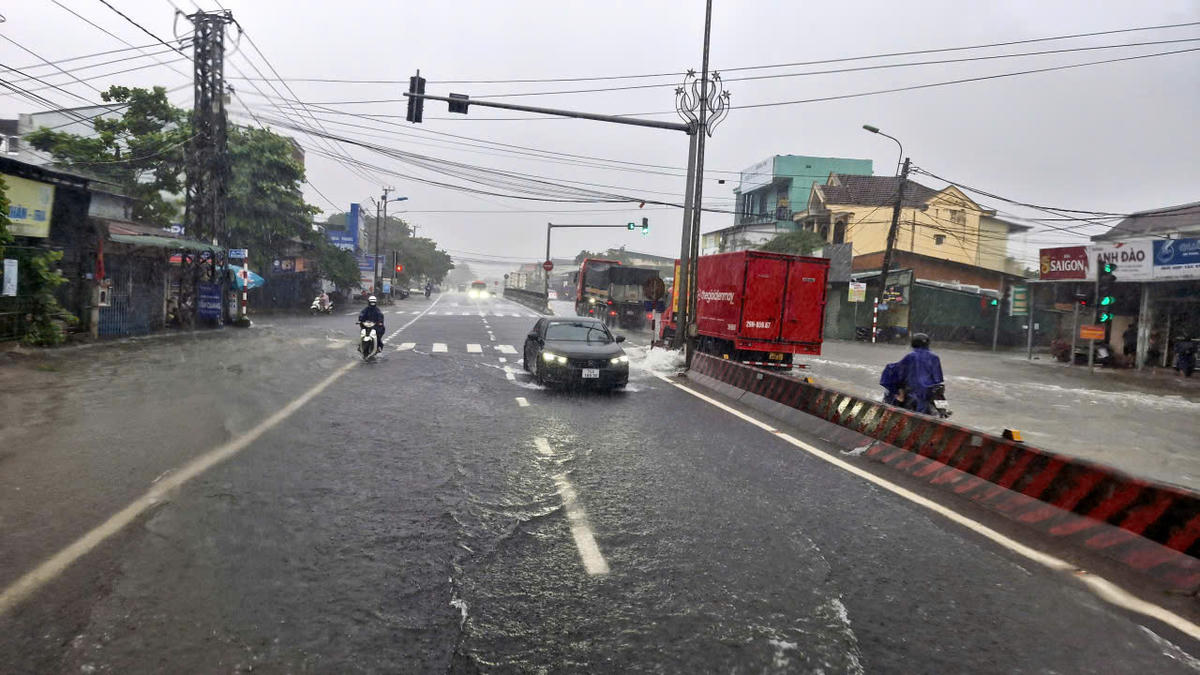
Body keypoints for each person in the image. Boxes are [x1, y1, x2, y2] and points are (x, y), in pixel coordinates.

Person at [880, 332, 945, 414]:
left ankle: (899, 399)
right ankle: (944, 411)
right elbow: (938, 377)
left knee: (896, 390)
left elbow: (899, 370)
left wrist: (889, 368)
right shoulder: (935, 357)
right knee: (940, 395)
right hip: (931, 391)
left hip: (914, 390)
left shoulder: (911, 356)